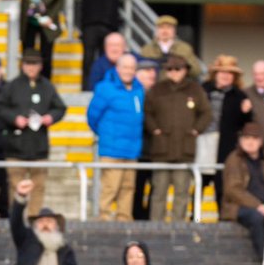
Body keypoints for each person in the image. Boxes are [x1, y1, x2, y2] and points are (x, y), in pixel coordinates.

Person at [0, 50, 65, 216]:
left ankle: (34, 219)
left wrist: (50, 117)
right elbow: (0, 108)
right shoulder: (12, 86)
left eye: (34, 64)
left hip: (39, 146)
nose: (31, 67)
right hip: (15, 147)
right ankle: (16, 220)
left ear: (40, 66)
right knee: (16, 187)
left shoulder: (47, 86)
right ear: (23, 65)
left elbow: (60, 107)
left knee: (38, 187)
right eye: (28, 64)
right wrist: (15, 119)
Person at [145, 55, 210, 220]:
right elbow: (147, 113)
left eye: (177, 68)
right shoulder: (157, 89)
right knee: (159, 191)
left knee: (182, 192)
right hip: (161, 149)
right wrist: (155, 130)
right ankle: (156, 225)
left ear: (186, 70)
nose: (173, 72)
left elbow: (206, 113)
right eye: (170, 69)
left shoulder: (195, 89)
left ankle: (178, 225)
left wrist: (196, 130)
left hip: (184, 149)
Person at [222, 122, 264, 264]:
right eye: (246, 138)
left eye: (254, 139)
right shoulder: (234, 159)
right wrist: (258, 205)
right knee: (257, 218)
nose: (250, 142)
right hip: (240, 206)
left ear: (260, 141)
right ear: (241, 141)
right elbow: (232, 189)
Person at [87, 53, 144, 220]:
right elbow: (92, 116)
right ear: (117, 68)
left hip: (132, 148)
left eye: (132, 68)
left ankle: (124, 218)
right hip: (111, 149)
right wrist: (106, 134)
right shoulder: (105, 88)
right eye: (125, 67)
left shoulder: (138, 90)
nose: (129, 71)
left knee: (128, 187)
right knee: (110, 187)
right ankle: (103, 218)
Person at [79, 0, 137, 90]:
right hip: (90, 25)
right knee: (88, 58)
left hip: (109, 26)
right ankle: (87, 87)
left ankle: (107, 86)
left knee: (107, 59)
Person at [200, 54, 253, 206]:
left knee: (222, 186)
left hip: (226, 147)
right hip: (204, 143)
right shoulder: (203, 90)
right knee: (200, 184)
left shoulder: (239, 96)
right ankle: (195, 221)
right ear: (215, 74)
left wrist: (246, 112)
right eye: (222, 72)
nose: (226, 76)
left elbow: (247, 126)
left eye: (230, 73)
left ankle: (222, 223)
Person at [9, 179, 78, 265]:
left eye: (49, 221)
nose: (45, 224)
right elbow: (15, 222)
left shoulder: (65, 250)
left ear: (56, 226)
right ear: (35, 226)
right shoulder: (26, 242)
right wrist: (21, 197)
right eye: (41, 221)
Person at [131, 57, 159, 221]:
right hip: (137, 150)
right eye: (147, 71)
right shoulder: (133, 93)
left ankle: (149, 218)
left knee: (155, 188)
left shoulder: (158, 94)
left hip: (155, 150)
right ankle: (137, 217)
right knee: (137, 188)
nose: (152, 74)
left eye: (153, 71)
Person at [139, 16, 201, 80]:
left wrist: (181, 63)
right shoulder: (146, 49)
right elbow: (139, 71)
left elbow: (196, 71)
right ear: (156, 31)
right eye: (161, 27)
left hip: (178, 86)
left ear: (174, 31)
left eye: (169, 27)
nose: (165, 31)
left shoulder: (185, 49)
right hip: (155, 87)